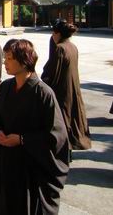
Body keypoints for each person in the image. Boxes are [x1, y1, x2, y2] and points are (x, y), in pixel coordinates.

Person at [0, 39, 70, 215]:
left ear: (24, 60)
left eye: (9, 58)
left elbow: (57, 137)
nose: (5, 63)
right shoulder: (6, 87)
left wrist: (23, 140)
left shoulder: (43, 93)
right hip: (6, 164)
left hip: (30, 170)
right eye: (4, 58)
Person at [41, 20, 91, 151]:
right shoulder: (72, 46)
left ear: (57, 34)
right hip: (72, 85)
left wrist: (44, 83)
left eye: (54, 33)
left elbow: (52, 71)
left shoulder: (60, 48)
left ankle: (63, 147)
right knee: (71, 114)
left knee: (62, 118)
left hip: (62, 89)